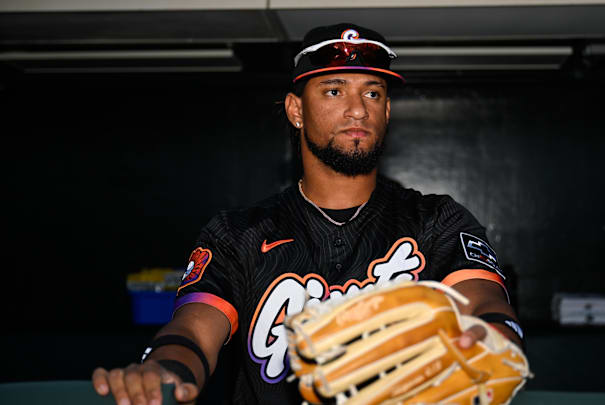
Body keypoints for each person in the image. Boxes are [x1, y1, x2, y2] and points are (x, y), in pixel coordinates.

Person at [92, 23, 524, 405]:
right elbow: (191, 333)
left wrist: (491, 336)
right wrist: (163, 371)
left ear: (387, 111)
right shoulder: (237, 234)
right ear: (296, 110)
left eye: (373, 93)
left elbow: (486, 305)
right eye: (334, 91)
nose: (358, 109)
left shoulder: (437, 221)